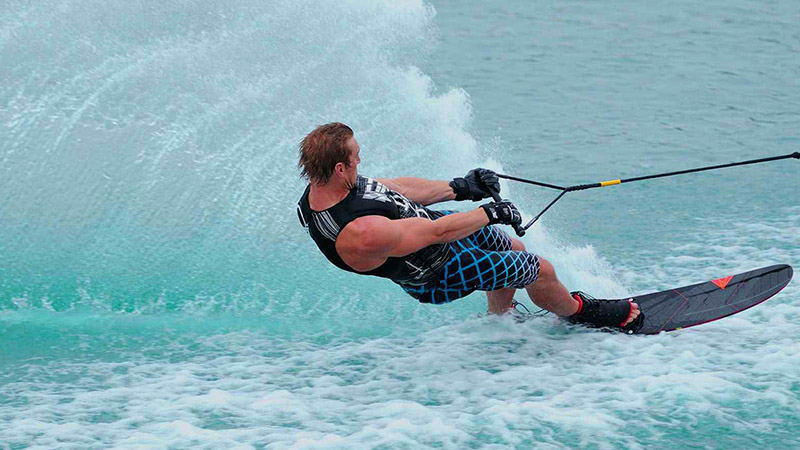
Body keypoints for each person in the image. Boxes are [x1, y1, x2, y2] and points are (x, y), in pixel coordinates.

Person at [296, 123, 641, 330]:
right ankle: (581, 313)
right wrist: (490, 213)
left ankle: (501, 323)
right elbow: (436, 234)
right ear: (340, 167)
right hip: (438, 272)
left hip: (439, 235)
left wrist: (462, 187)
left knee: (515, 250)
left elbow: (399, 190)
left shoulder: (332, 182)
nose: (361, 160)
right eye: (356, 156)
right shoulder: (358, 234)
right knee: (540, 270)